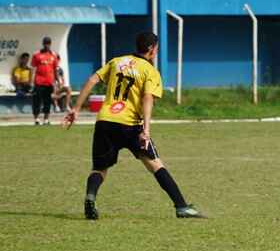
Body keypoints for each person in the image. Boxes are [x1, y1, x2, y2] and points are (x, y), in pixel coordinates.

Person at [63, 32, 204, 220]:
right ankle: (181, 206)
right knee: (155, 164)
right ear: (152, 49)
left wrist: (76, 109)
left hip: (105, 121)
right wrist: (146, 130)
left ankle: (91, 197)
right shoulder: (150, 71)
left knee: (99, 168)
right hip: (131, 125)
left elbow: (91, 80)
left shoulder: (117, 62)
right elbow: (147, 98)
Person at [30, 37, 60, 125]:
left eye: (48, 43)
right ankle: (36, 119)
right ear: (43, 44)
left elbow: (55, 70)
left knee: (47, 101)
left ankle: (46, 119)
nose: (47, 45)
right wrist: (31, 81)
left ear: (50, 44)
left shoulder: (53, 55)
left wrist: (58, 81)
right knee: (37, 100)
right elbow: (33, 68)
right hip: (38, 82)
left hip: (49, 82)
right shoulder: (37, 54)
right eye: (45, 43)